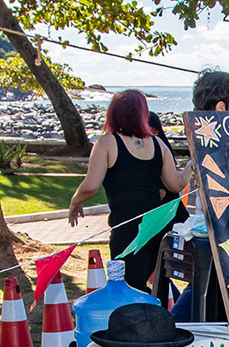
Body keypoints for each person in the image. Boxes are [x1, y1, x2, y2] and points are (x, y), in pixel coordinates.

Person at [69, 90, 192, 292]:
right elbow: (175, 185)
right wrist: (190, 168)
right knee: (155, 285)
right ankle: (157, 320)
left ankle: (137, 322)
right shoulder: (158, 143)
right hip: (157, 224)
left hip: (127, 226)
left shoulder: (107, 142)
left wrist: (75, 201)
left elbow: (91, 186)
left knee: (126, 287)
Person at [170, 70, 229, 322]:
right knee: (198, 301)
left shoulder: (213, 146)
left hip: (224, 246)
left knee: (203, 300)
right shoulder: (219, 152)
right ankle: (170, 335)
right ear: (220, 108)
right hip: (221, 245)